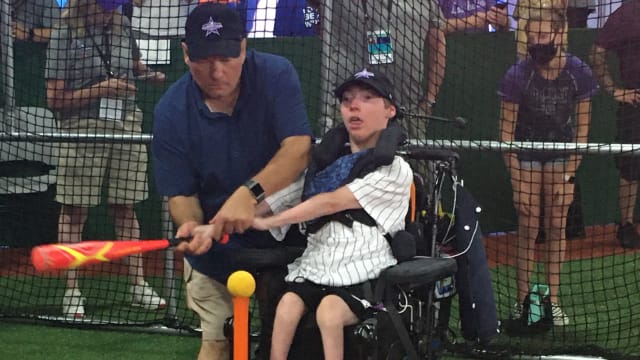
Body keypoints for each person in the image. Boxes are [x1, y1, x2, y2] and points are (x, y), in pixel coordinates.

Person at [179, 68, 413, 360]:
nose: (354, 105)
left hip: (363, 270)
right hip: (316, 266)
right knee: (287, 305)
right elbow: (274, 201)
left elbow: (329, 203)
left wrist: (268, 223)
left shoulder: (395, 170)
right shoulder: (324, 168)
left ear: (390, 110)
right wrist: (212, 228)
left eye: (368, 98)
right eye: (347, 99)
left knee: (329, 313)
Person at [152, 3, 313, 359]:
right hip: (216, 250)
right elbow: (181, 193)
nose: (217, 71)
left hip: (285, 239)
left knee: (288, 344)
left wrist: (249, 193)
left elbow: (299, 148)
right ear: (185, 53)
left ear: (244, 46)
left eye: (227, 56)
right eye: (204, 59)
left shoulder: (275, 74)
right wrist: (191, 226)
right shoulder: (170, 111)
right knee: (217, 341)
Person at [45, 0, 166, 318]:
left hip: (126, 124)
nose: (111, 11)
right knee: (74, 209)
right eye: (105, 6)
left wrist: (148, 74)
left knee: (126, 206)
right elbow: (55, 99)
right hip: (81, 128)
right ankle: (72, 291)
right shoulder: (64, 33)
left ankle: (138, 286)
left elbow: (134, 65)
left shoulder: (122, 24)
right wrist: (101, 89)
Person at [498, 8, 598, 326]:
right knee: (528, 224)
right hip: (525, 153)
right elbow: (505, 136)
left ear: (560, 35)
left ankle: (553, 302)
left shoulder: (578, 72)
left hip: (561, 154)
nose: (537, 42)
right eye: (532, 37)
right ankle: (523, 302)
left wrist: (569, 175)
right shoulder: (517, 74)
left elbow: (582, 132)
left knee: (557, 222)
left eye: (543, 36)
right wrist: (517, 183)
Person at [320, 0, 447, 136]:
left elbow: (438, 44)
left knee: (409, 156)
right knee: (349, 156)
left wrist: (429, 100)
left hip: (407, 110)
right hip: (350, 109)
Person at [589, 0, 640, 248]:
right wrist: (614, 90)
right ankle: (627, 225)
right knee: (630, 167)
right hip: (635, 103)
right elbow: (596, 54)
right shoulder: (626, 13)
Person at [438, 0, 510, 34]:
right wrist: (470, 22)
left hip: (484, 45)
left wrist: (503, 21)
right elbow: (433, 26)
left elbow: (504, 26)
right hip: (450, 48)